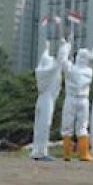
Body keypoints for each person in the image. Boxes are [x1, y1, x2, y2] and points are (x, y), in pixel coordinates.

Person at [31, 21, 67, 161]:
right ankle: (41, 152)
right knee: (44, 125)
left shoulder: (40, 71)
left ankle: (37, 150)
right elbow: (59, 62)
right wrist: (64, 45)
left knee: (38, 125)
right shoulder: (50, 71)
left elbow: (45, 59)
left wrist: (46, 47)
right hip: (47, 100)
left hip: (41, 99)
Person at [59, 31, 93, 162]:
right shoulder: (89, 71)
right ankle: (84, 154)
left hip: (71, 98)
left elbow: (63, 60)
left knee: (67, 127)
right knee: (83, 127)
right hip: (83, 100)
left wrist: (66, 46)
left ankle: (67, 154)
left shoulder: (71, 69)